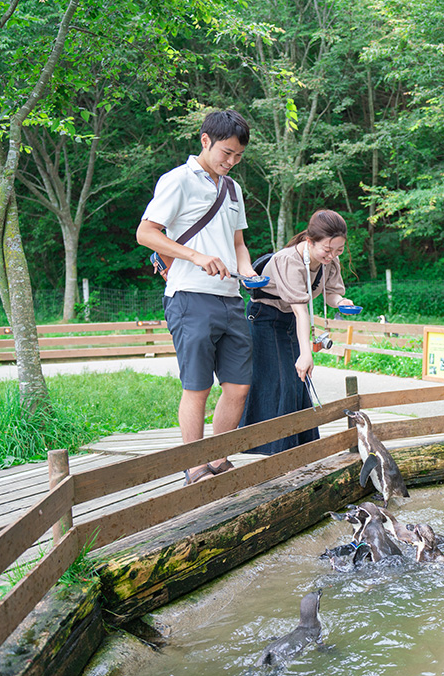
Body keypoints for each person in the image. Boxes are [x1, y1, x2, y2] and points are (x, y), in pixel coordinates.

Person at [136, 109, 255, 484]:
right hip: (190, 295)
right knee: (198, 386)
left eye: (238, 156)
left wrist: (248, 271)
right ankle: (195, 466)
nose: (231, 161)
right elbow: (146, 233)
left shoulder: (233, 189)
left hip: (231, 297)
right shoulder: (178, 180)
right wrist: (196, 256)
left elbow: (238, 243)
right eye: (226, 153)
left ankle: (218, 458)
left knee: (238, 387)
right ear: (205, 140)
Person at [239, 209, 354, 453]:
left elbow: (331, 293)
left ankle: (300, 447)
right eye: (327, 249)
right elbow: (302, 311)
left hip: (291, 320)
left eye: (339, 250)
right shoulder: (289, 260)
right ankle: (273, 449)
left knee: (296, 381)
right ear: (309, 241)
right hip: (265, 318)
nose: (333, 255)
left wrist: (342, 303)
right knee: (280, 380)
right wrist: (306, 354)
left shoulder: (329, 260)